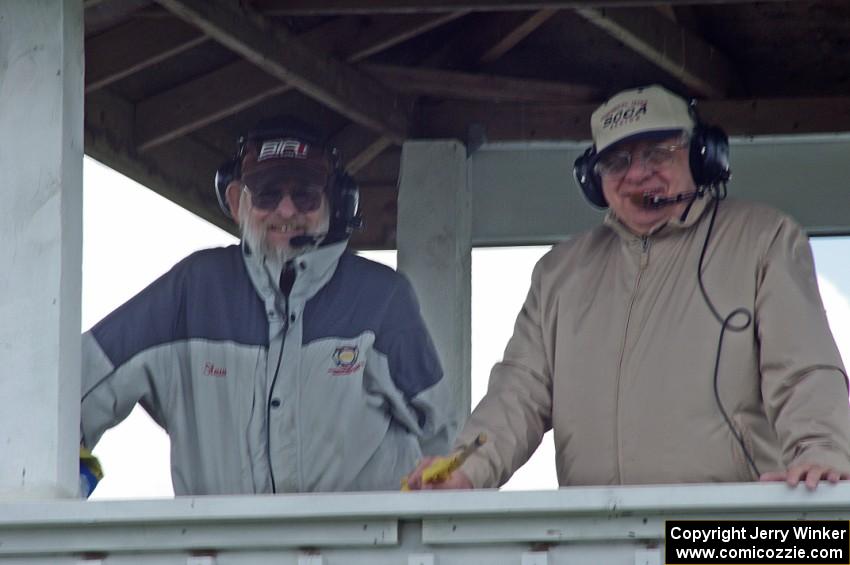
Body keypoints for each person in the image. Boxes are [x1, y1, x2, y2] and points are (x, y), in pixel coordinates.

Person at [406, 84, 850, 492]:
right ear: (593, 180)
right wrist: (465, 470)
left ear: (700, 156)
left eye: (658, 152)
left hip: (722, 532)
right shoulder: (559, 272)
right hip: (600, 540)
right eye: (617, 161)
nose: (638, 174)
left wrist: (822, 452)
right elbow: (517, 393)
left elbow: (803, 369)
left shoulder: (764, 239)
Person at [80, 117, 456, 495]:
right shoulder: (192, 291)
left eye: (305, 194)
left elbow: (445, 440)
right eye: (267, 193)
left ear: (336, 202)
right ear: (235, 202)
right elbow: (69, 394)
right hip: (219, 554)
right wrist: (67, 483)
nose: (287, 211)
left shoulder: (382, 298)